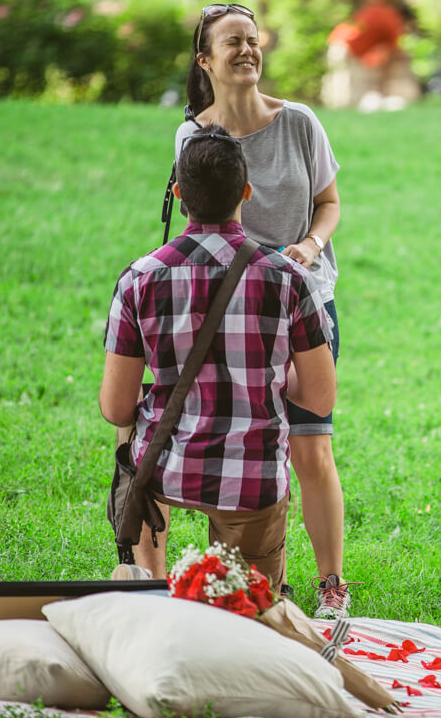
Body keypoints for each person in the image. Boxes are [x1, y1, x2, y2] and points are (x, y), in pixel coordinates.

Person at [173, 2, 355, 619]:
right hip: (237, 312)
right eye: (232, 43)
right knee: (241, 450)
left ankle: (331, 587)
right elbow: (202, 219)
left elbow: (328, 203)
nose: (247, 50)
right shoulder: (194, 135)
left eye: (252, 40)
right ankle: (235, 583)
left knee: (311, 447)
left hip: (306, 300)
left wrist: (309, 245)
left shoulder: (300, 122)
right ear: (206, 61)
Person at [99, 125, 336, 592]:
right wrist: (270, 373)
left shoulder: (139, 279)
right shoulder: (290, 279)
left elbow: (116, 408)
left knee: (133, 447)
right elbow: (320, 398)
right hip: (252, 478)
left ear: (178, 193)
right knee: (247, 614)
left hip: (165, 468)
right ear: (246, 192)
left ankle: (148, 582)